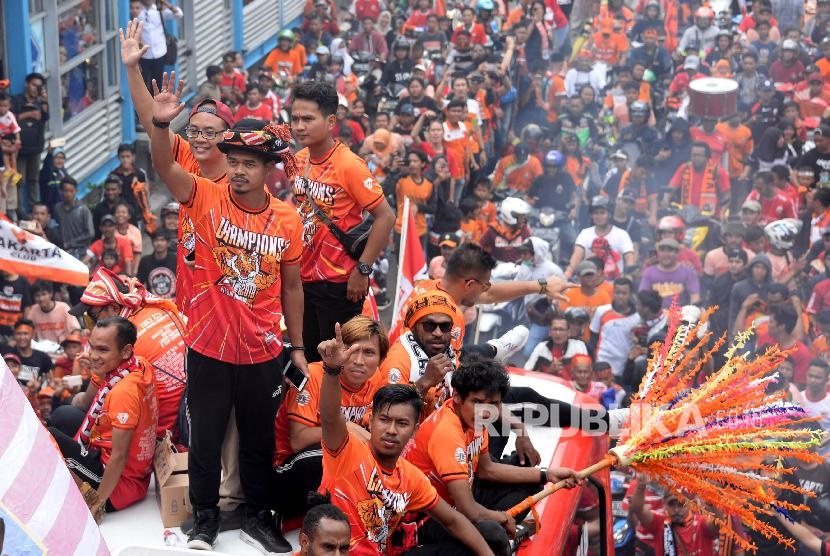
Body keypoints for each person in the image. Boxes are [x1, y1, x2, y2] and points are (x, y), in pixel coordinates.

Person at [147, 72, 306, 552]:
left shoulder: (287, 218)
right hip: (207, 345)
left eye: (248, 164)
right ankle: (204, 519)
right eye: (233, 161)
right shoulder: (202, 194)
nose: (237, 171)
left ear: (267, 170)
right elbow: (163, 168)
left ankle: (259, 517)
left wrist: (296, 347)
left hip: (261, 348)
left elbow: (293, 286)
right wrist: (158, 125)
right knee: (207, 437)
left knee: (259, 438)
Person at [315, 324, 495, 555]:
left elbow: (453, 520)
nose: (391, 430)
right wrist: (331, 370)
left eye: (402, 424)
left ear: (414, 430)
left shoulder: (411, 477)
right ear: (370, 422)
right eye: (384, 420)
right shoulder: (347, 453)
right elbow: (330, 418)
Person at [405, 356, 580, 553]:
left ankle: (504, 535)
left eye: (494, 404)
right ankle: (503, 538)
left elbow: (488, 470)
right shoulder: (447, 432)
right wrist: (500, 517)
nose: (486, 411)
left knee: (533, 481)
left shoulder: (473, 419)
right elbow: (467, 510)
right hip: (425, 518)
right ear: (457, 397)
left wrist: (548, 474)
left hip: (456, 502)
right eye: (478, 402)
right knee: (493, 533)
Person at [290, 81, 395, 364]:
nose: (299, 126)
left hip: (339, 283)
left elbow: (386, 216)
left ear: (331, 121)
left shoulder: (348, 165)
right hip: (303, 277)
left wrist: (363, 269)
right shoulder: (298, 160)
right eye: (295, 118)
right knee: (308, 358)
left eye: (308, 119)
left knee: (336, 361)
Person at [273, 316, 389, 521]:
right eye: (352, 350)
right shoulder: (314, 375)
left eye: (369, 352)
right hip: (286, 469)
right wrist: (349, 427)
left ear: (380, 360)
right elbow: (298, 440)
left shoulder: (378, 380)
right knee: (330, 456)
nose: (359, 361)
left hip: (333, 469)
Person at [47, 317, 158, 515]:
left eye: (103, 350)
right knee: (64, 416)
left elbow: (119, 457)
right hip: (134, 471)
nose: (94, 355)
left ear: (125, 351)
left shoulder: (123, 393)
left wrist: (98, 504)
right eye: (92, 347)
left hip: (118, 487)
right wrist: (96, 366)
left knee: (48, 436)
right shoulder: (139, 364)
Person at [66, 267, 186, 441]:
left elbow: (87, 402)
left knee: (65, 414)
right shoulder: (158, 308)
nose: (91, 323)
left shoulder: (117, 342)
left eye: (92, 316)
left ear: (114, 307)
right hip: (188, 410)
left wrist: (71, 399)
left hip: (164, 431)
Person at [629, 480, 719, 556]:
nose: (676, 510)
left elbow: (718, 524)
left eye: (681, 504)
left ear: (691, 505)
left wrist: (713, 500)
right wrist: (640, 485)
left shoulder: (701, 523)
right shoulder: (659, 524)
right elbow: (638, 510)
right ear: (664, 505)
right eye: (671, 504)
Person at [565, 196, 636, 280]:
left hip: (613, 284)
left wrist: (628, 278)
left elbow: (629, 258)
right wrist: (568, 273)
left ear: (609, 214)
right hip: (588, 282)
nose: (598, 216)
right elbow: (577, 255)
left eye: (602, 213)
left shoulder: (622, 234)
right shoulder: (585, 233)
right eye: (595, 213)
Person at [11, 73, 49, 217]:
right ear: (27, 84)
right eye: (34, 85)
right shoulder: (16, 100)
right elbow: (9, 119)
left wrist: (44, 102)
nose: (35, 88)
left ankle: (35, 210)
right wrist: (29, 114)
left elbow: (45, 117)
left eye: (39, 86)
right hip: (20, 149)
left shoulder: (40, 102)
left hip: (36, 148)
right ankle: (20, 210)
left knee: (34, 179)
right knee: (19, 180)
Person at [666, 142, 731, 218]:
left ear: (707, 157)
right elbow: (671, 188)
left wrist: (722, 212)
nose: (695, 158)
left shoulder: (717, 171)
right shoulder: (684, 168)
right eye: (693, 155)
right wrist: (666, 199)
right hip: (686, 216)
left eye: (699, 155)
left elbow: (727, 195)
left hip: (710, 218)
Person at [133, 0, 183, 94]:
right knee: (143, 82)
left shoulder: (159, 9)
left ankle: (156, 103)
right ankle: (145, 105)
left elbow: (179, 14)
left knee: (157, 81)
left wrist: (167, 4)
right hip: (144, 54)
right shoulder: (138, 10)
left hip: (159, 52)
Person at [639, 238, 701, 309]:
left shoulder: (688, 272)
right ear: (658, 253)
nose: (666, 254)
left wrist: (691, 314)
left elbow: (695, 297)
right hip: (656, 315)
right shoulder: (649, 272)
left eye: (670, 250)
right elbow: (642, 297)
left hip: (681, 315)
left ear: (677, 253)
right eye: (662, 251)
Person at [524, 313, 589, 377]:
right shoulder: (542, 347)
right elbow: (527, 373)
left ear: (569, 332)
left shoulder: (579, 346)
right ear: (549, 332)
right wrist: (549, 371)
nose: (558, 333)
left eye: (561, 329)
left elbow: (585, 374)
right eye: (555, 329)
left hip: (571, 386)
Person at [0, 318, 53, 386]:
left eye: (26, 334)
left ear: (32, 335)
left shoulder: (43, 358)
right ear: (14, 335)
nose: (22, 337)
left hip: (33, 394)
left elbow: (51, 382)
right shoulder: (6, 354)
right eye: (18, 334)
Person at [479, 197, 532, 264]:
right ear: (511, 216)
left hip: (518, 269)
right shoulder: (492, 230)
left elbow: (530, 251)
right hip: (497, 269)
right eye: (521, 217)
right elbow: (480, 249)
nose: (524, 219)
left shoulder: (524, 230)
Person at [53, 177, 95, 260]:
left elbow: (90, 233)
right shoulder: (58, 208)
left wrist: (71, 243)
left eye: (71, 191)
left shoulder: (83, 209)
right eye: (66, 191)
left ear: (76, 191)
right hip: (64, 251)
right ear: (61, 191)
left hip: (81, 251)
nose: (68, 194)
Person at [136, 229, 177, 299]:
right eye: (156, 240)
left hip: (174, 303)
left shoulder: (176, 259)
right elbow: (139, 284)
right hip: (152, 303)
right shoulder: (145, 261)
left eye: (162, 240)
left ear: (168, 243)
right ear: (152, 242)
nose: (159, 243)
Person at [802, 359, 830, 456]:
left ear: (827, 380)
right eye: (810, 376)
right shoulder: (798, 399)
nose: (813, 380)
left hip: (825, 460)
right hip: (800, 460)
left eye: (817, 377)